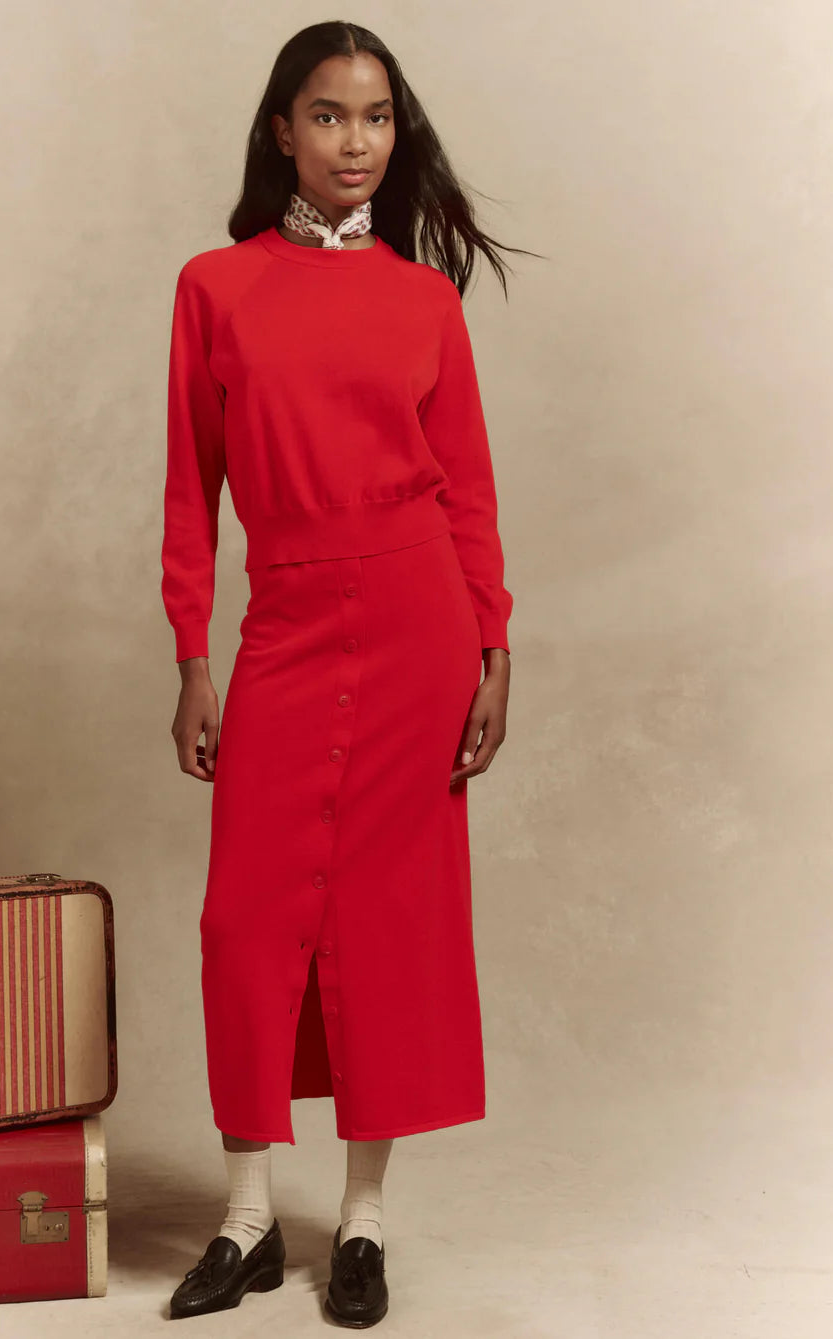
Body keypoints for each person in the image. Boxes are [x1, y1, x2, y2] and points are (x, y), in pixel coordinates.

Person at [162, 20, 540, 1328]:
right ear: (282, 130)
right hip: (289, 614)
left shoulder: (426, 300)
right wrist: (192, 652)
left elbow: (471, 491)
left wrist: (494, 642)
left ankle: (365, 1224)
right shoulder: (213, 288)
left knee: (391, 923)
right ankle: (249, 1217)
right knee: (244, 920)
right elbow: (188, 491)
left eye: (377, 118)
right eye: (328, 116)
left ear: (398, 134)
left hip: (420, 621)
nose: (355, 142)